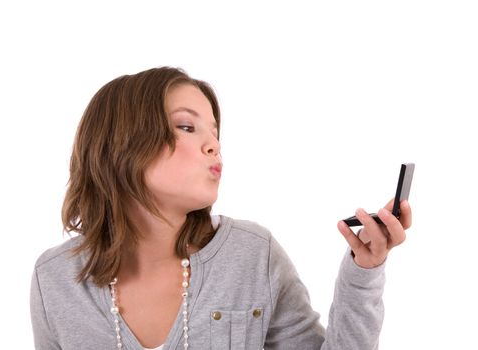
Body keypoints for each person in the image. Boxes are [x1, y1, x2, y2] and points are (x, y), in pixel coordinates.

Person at [30, 66, 412, 350]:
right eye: (186, 127)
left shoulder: (252, 254)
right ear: (121, 143)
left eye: (215, 132)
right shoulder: (56, 280)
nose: (213, 145)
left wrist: (364, 272)